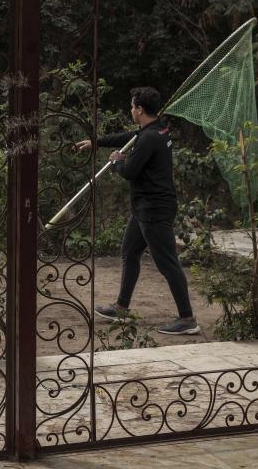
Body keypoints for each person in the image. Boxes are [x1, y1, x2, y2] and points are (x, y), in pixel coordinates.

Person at [75, 86, 199, 335]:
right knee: (129, 252)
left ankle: (187, 319)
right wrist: (96, 142)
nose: (131, 111)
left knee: (167, 263)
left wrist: (116, 161)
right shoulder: (158, 128)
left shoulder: (150, 137)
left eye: (132, 107)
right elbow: (128, 137)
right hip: (145, 208)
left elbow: (129, 172)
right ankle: (121, 308)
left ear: (140, 109)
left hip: (154, 208)